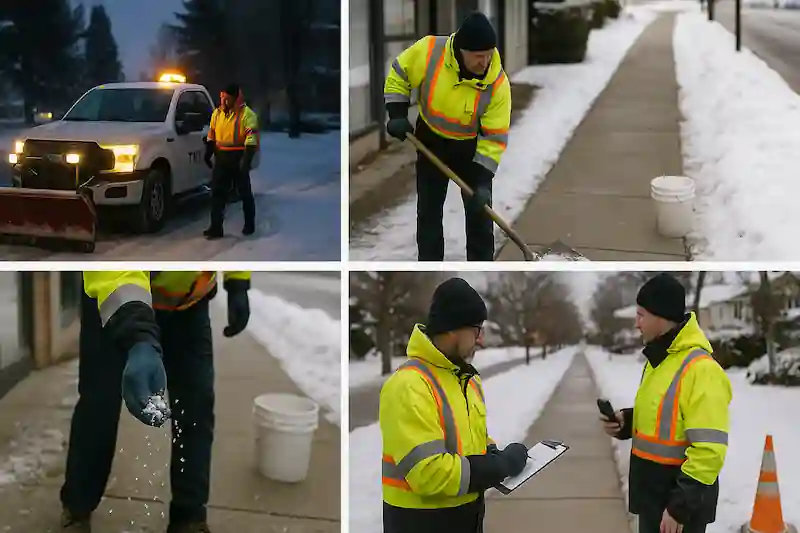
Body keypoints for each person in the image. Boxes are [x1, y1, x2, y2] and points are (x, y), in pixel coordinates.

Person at [60, 271, 252, 533]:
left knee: (195, 408)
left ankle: (190, 517)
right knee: (99, 407)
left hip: (188, 302)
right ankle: (78, 506)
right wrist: (137, 335)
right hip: (117, 299)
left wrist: (238, 279)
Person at [379, 277, 529, 533]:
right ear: (452, 328)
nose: (480, 339)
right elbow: (429, 473)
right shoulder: (409, 385)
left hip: (466, 517)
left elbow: (471, 438)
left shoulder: (466, 379)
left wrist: (492, 452)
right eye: (476, 329)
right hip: (421, 523)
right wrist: (500, 466)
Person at [600, 273, 732, 533]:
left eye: (641, 315)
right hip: (654, 500)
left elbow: (709, 450)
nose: (636, 323)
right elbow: (666, 414)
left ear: (660, 317)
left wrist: (679, 508)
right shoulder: (659, 359)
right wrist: (628, 421)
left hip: (677, 510)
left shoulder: (701, 369)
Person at [383, 12, 512, 262]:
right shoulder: (431, 51)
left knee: (480, 216)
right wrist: (397, 113)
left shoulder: (497, 84)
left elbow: (494, 137)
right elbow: (399, 73)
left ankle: (482, 265)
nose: (484, 62)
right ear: (462, 50)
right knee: (429, 214)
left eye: (488, 55)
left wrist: (483, 181)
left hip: (470, 151)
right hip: (430, 140)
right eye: (478, 56)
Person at [203, 84, 259, 239]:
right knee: (217, 194)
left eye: (227, 98)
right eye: (222, 97)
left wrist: (246, 160)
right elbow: (212, 134)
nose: (223, 101)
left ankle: (249, 225)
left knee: (244, 193)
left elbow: (251, 138)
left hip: (239, 157)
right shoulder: (217, 114)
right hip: (222, 157)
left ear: (235, 98)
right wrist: (208, 152)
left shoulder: (247, 115)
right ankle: (215, 228)